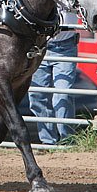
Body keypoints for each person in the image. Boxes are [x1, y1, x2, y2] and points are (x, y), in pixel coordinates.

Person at [28, 9, 80, 146]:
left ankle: (67, 140)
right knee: (37, 95)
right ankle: (47, 141)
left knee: (63, 94)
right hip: (38, 45)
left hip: (65, 45)